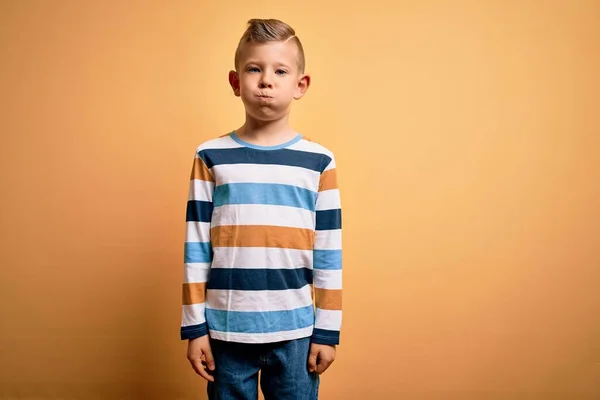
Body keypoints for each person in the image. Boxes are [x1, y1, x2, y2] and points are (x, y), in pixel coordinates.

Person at [180, 18, 342, 399]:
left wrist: (327, 331)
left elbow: (330, 252)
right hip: (224, 330)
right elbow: (195, 245)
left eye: (279, 71)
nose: (266, 80)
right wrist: (194, 328)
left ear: (300, 85)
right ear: (236, 83)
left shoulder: (319, 161)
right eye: (254, 69)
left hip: (297, 333)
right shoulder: (210, 156)